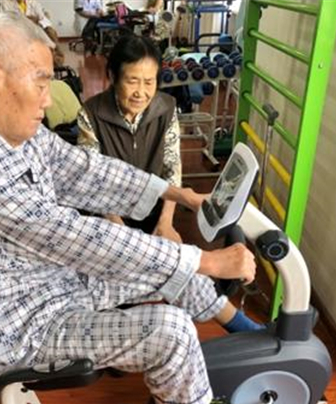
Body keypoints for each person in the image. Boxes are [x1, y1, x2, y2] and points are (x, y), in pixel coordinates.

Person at [0, 12, 256, 404]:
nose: (48, 100)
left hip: (48, 280)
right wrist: (208, 260)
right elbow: (78, 238)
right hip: (21, 324)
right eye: (41, 83)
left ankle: (246, 332)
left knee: (174, 269)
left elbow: (84, 169)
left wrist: (174, 193)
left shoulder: (7, 131)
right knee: (172, 328)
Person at [77, 34, 264, 334]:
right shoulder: (91, 113)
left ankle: (247, 330)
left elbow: (171, 169)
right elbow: (93, 180)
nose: (141, 92)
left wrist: (166, 222)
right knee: (166, 268)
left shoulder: (166, 109)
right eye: (132, 81)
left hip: (152, 210)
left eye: (149, 82)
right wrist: (118, 228)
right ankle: (244, 329)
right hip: (108, 217)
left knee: (174, 265)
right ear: (112, 76)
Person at [0, 0, 65, 66]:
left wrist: (38, 23)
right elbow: (7, 21)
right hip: (18, 29)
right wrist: (28, 20)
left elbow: (42, 18)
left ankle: (53, 55)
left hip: (36, 26)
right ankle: (54, 55)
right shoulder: (6, 4)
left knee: (50, 31)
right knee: (39, 34)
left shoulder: (33, 2)